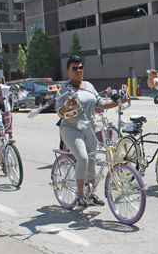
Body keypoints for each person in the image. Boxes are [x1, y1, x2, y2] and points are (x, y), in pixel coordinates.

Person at [56, 56, 130, 207]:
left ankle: (91, 193)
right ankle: (80, 195)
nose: (79, 71)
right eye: (75, 68)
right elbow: (59, 112)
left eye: (80, 67)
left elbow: (101, 104)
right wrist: (68, 105)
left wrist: (119, 102)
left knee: (91, 161)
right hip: (71, 128)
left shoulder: (88, 85)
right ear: (68, 72)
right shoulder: (64, 88)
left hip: (89, 128)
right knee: (83, 158)